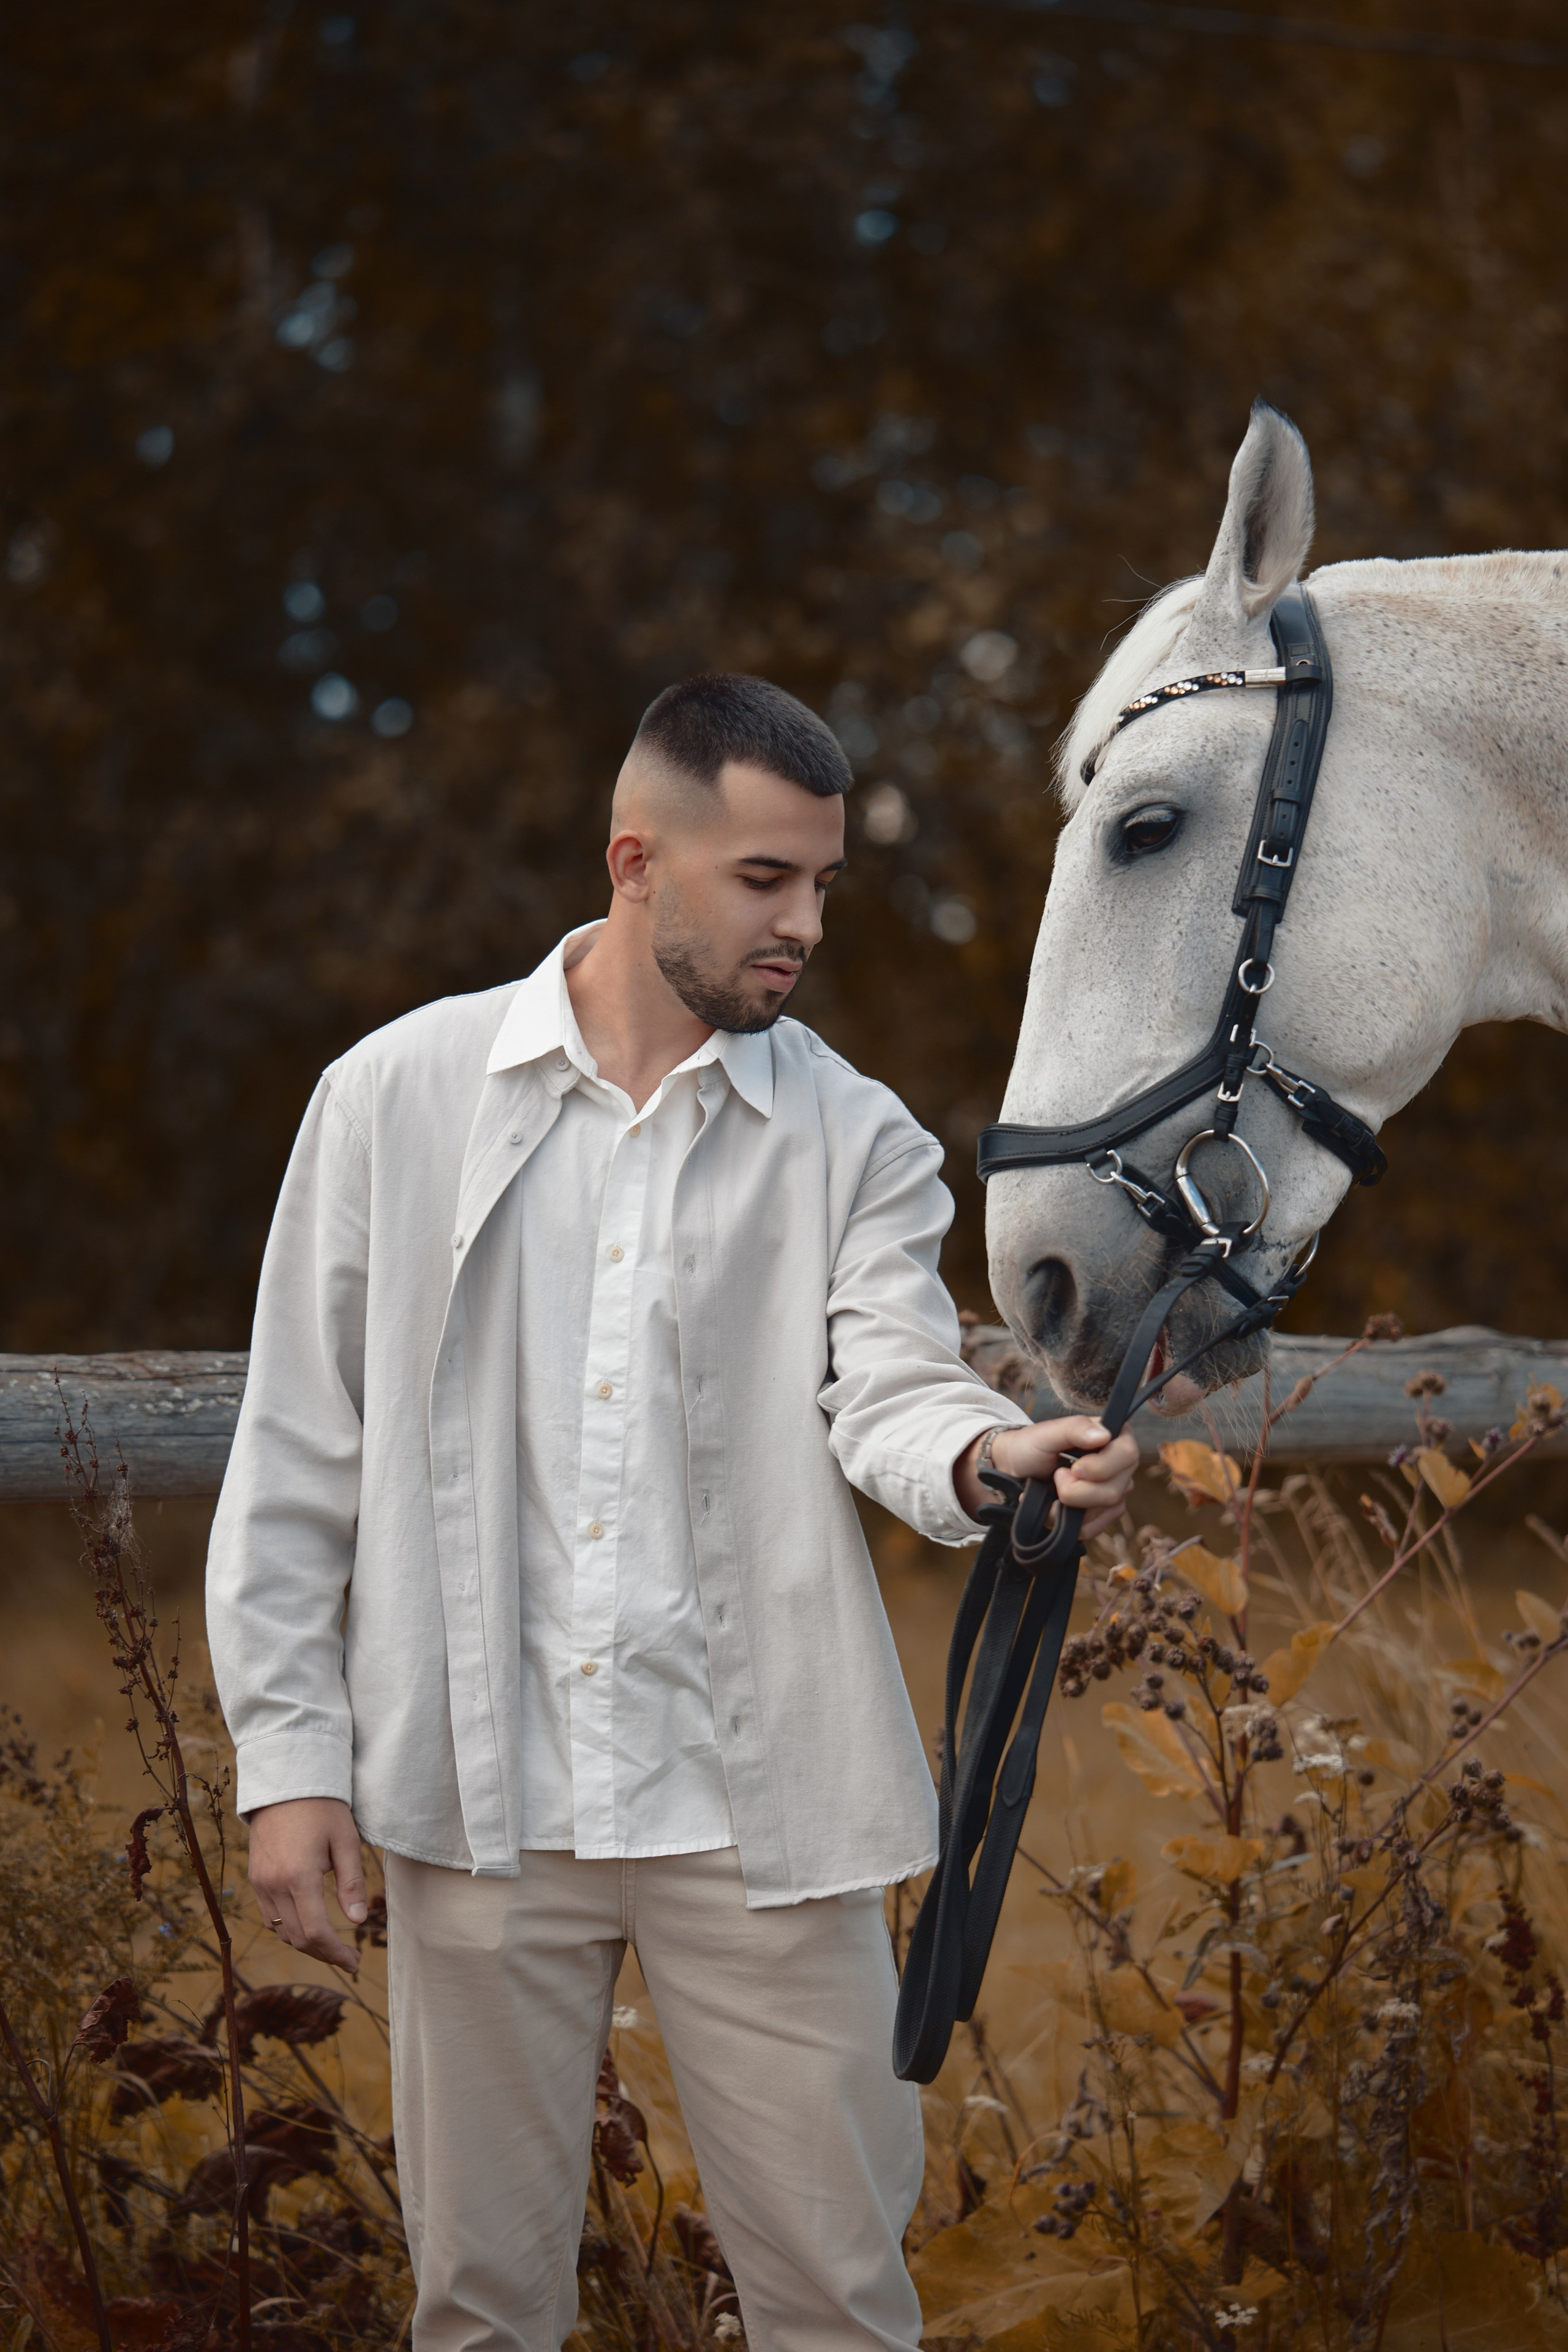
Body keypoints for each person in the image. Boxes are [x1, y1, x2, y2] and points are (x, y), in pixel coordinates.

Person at [206, 672, 1139, 2352]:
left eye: (824, 887)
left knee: (841, 2307)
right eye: (763, 882)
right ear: (639, 861)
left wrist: (992, 1455)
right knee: (481, 2307)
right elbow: (299, 1452)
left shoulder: (852, 1136)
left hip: (762, 1818)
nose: (802, 927)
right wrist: (291, 1763)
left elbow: (893, 1381)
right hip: (479, 1809)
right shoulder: (393, 1097)